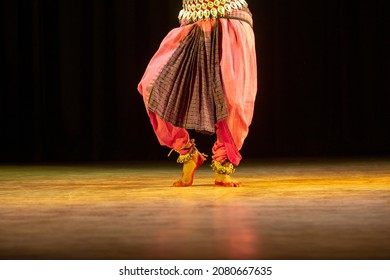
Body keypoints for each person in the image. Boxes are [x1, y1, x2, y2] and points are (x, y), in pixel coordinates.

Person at [138, 0, 257, 187]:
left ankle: (222, 166)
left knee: (233, 100)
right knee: (150, 87)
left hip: (230, 20)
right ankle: (188, 154)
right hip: (194, 23)